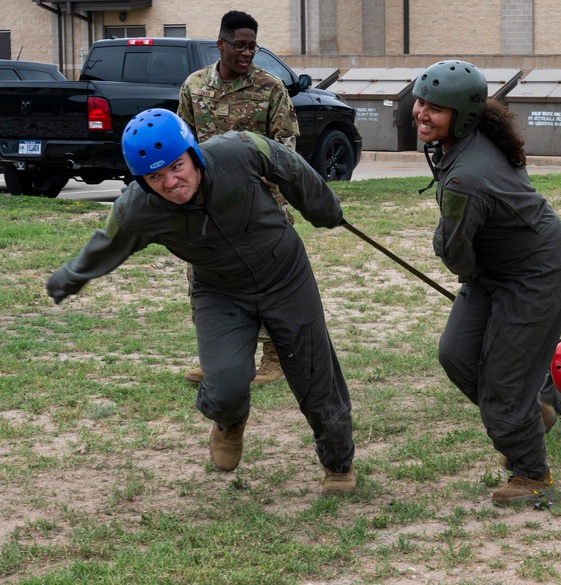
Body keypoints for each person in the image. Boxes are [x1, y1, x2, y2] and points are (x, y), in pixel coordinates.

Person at [46, 109, 357, 496]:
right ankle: (229, 422)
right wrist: (70, 277)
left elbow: (291, 167)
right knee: (225, 385)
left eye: (176, 167)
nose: (171, 183)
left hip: (285, 275)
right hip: (220, 291)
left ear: (192, 152)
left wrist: (324, 209)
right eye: (154, 177)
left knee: (315, 380)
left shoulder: (239, 150)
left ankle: (338, 462)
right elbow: (107, 243)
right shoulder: (138, 207)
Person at [412, 60, 561, 506]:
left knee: (504, 385)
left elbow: (452, 253)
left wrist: (461, 261)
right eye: (420, 101)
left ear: (462, 116)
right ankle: (530, 414)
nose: (421, 113)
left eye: (435, 108)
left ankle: (532, 472)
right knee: (457, 355)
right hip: (494, 268)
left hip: (536, 273)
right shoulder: (465, 138)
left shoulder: (468, 175)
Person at [177, 9, 300, 386]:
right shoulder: (195, 87)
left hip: (259, 209)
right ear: (221, 44)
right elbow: (184, 144)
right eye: (240, 46)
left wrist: (263, 196)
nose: (247, 54)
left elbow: (286, 151)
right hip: (208, 210)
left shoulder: (271, 88)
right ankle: (219, 359)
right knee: (207, 282)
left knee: (267, 285)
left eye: (252, 46)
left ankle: (275, 358)